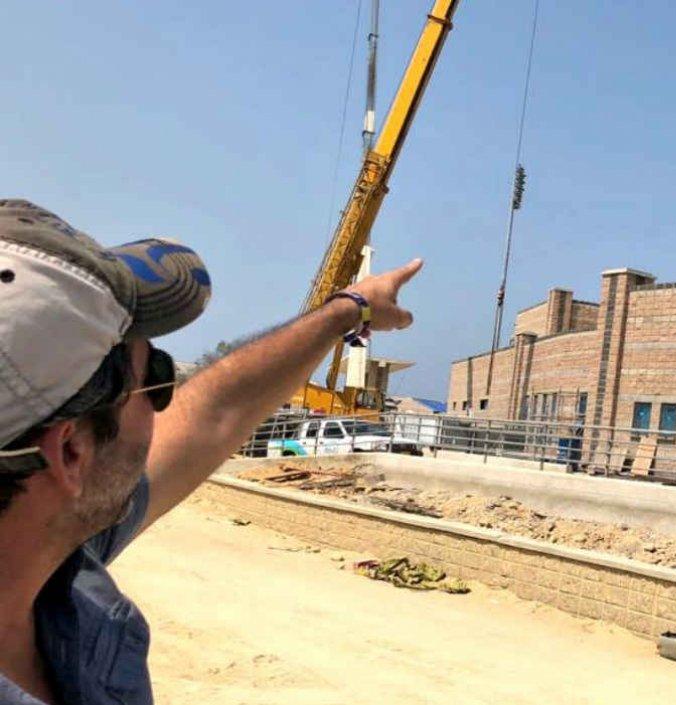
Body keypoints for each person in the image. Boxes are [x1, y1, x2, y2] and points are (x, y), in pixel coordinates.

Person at [0, 200, 422, 704]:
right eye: (154, 382)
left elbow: (215, 411)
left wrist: (350, 309)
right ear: (70, 452)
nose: (169, 405)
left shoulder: (41, 549)